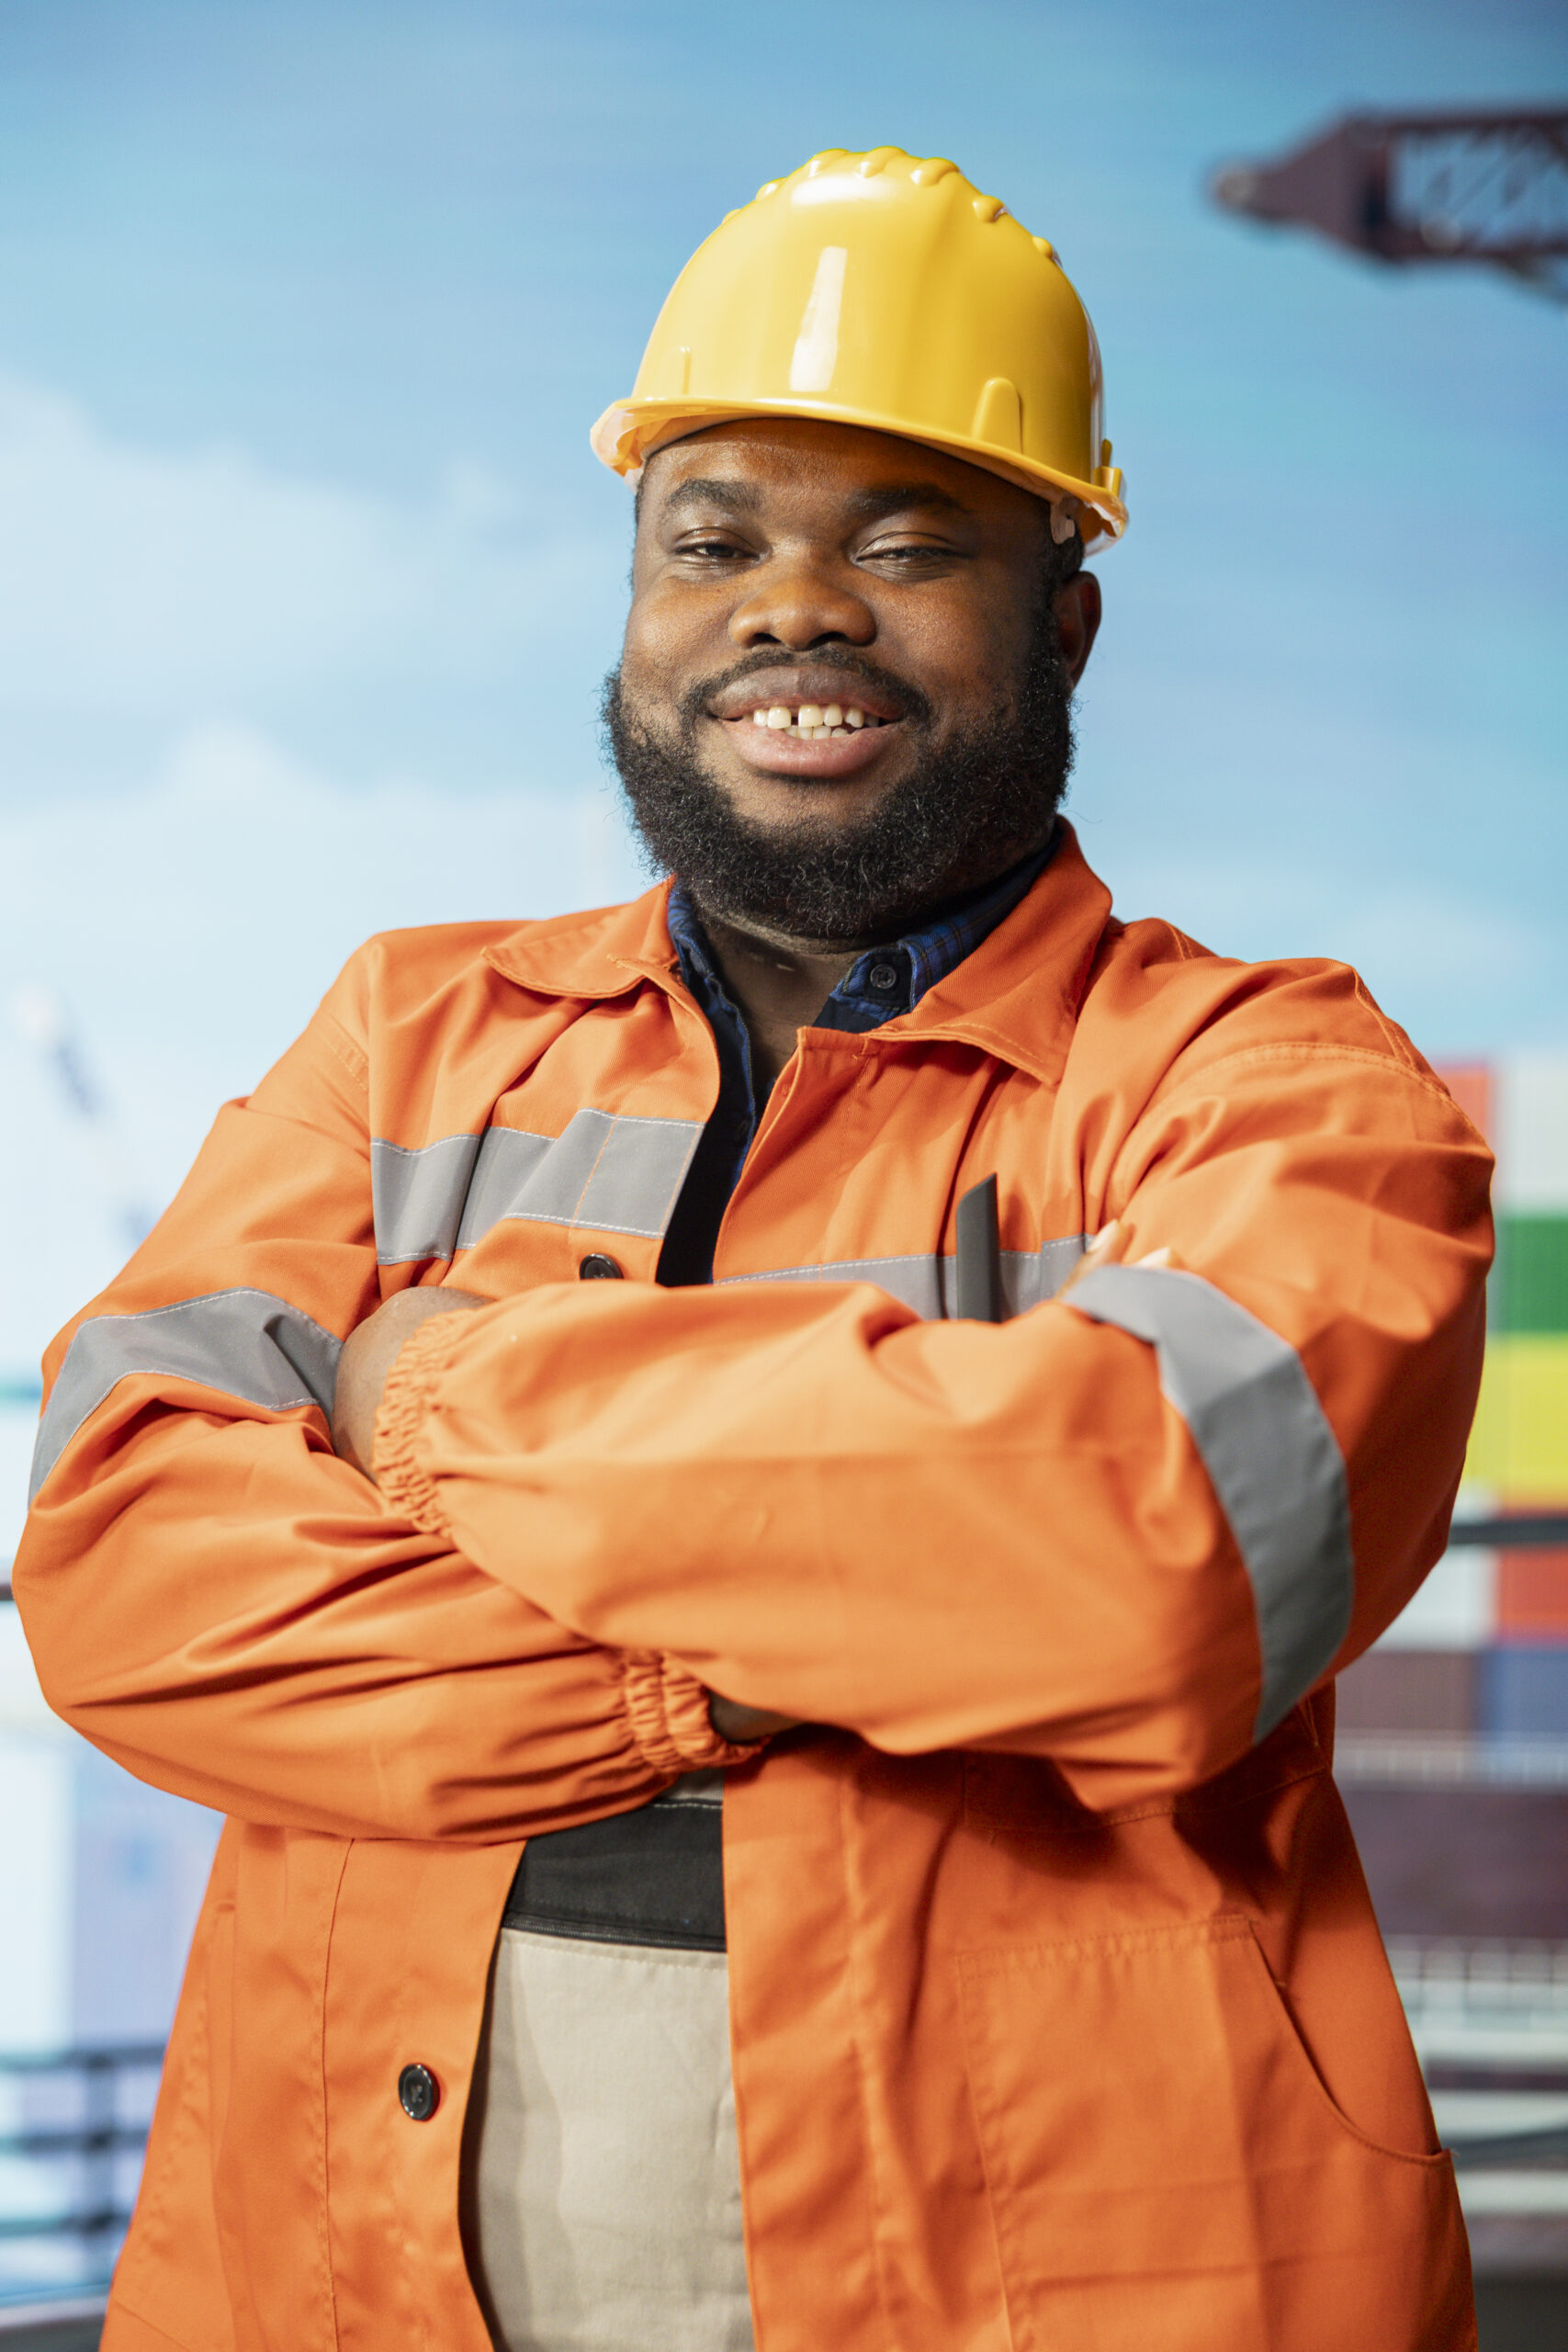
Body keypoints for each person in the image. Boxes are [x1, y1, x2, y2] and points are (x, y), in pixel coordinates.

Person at [17, 147, 1490, 2352]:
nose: (793, 607)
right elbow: (120, 1560)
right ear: (631, 599)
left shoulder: (1273, 1081)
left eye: (904, 542)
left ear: (1065, 616)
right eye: (710, 541)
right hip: (337, 2274)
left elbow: (1150, 1555)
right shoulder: (408, 1029)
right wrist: (784, 1637)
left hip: (1063, 2284)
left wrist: (424, 1385)